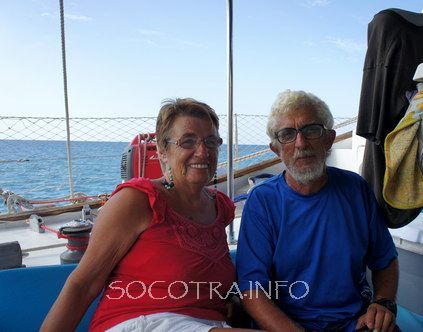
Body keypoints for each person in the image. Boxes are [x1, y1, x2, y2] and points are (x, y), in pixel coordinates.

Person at [42, 98, 251, 332]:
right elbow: (84, 283)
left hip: (209, 324)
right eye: (188, 141)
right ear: (162, 151)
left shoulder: (220, 207)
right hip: (142, 322)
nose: (202, 152)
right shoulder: (139, 199)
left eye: (210, 141)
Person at [236, 90, 399, 332]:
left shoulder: (356, 189)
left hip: (355, 323)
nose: (301, 144)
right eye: (287, 135)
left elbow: (385, 260)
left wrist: (383, 303)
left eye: (311, 130)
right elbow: (251, 290)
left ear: (329, 139)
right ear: (276, 149)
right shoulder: (262, 201)